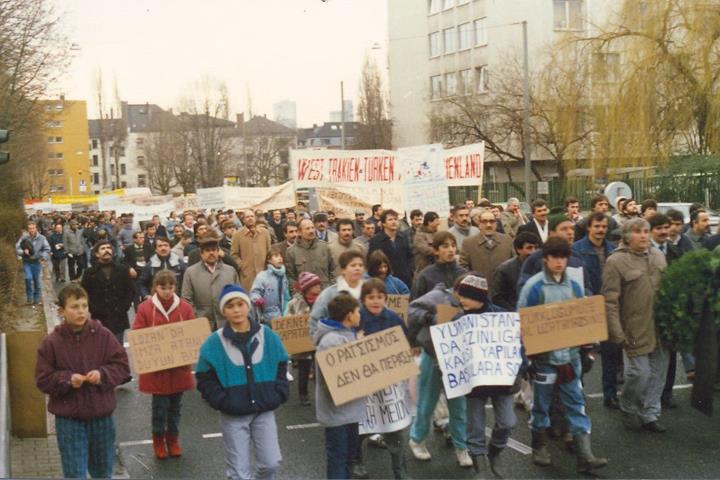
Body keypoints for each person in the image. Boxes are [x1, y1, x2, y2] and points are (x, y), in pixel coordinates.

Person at [518, 237, 607, 473]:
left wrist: (587, 350)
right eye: (554, 257)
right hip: (544, 361)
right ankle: (539, 447)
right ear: (545, 259)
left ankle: (585, 455)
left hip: (570, 358)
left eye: (563, 257)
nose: (559, 262)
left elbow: (582, 320)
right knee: (541, 405)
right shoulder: (534, 287)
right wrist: (526, 358)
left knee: (577, 403)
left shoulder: (574, 286)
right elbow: (524, 324)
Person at [35, 283, 131, 479]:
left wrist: (102, 374)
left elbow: (122, 368)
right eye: (74, 307)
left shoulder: (103, 335)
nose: (81, 311)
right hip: (69, 420)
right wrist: (66, 379)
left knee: (103, 472)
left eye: (84, 306)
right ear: (62, 311)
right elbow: (43, 380)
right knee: (74, 473)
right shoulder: (51, 342)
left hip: (101, 417)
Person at [196, 284, 289, 480]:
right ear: (224, 311)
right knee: (239, 471)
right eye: (230, 306)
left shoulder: (267, 335)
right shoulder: (214, 342)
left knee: (271, 463)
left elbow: (282, 362)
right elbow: (204, 377)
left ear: (248, 306)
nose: (237, 310)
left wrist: (279, 392)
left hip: (264, 409)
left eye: (240, 304)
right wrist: (221, 400)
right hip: (233, 414)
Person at [602, 218, 669, 433]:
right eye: (638, 232)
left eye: (646, 231)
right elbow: (610, 301)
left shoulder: (658, 256)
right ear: (627, 236)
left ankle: (650, 413)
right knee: (639, 374)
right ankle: (629, 407)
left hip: (659, 326)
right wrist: (617, 332)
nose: (643, 235)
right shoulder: (616, 261)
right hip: (633, 328)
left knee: (658, 372)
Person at [406, 252, 470, 468]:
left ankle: (461, 446)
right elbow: (412, 309)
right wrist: (431, 318)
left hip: (457, 361)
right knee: (427, 403)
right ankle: (417, 440)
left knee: (459, 407)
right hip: (433, 357)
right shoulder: (438, 296)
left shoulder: (473, 304)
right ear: (458, 291)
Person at [453, 274, 519, 477]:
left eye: (466, 296)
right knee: (476, 427)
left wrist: (520, 369)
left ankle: (495, 452)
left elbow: (518, 346)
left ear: (479, 297)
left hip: (502, 382)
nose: (461, 300)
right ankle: (480, 466)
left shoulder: (502, 318)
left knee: (507, 422)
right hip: (474, 385)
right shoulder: (458, 320)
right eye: (460, 296)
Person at [132, 270, 195, 459]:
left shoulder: (184, 307)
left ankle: (173, 440)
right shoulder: (145, 308)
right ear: (155, 288)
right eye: (162, 287)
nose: (167, 291)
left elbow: (192, 333)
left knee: (175, 408)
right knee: (159, 409)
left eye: (170, 287)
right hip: (157, 369)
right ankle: (158, 441)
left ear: (175, 287)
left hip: (178, 369)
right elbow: (138, 334)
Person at [355, 279, 411, 479]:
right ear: (363, 299)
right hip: (365, 383)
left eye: (379, 297)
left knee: (394, 426)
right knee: (362, 425)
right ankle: (357, 462)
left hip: (389, 383)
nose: (375, 301)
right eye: (371, 297)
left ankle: (400, 469)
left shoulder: (394, 319)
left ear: (385, 298)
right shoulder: (357, 319)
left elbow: (406, 345)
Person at [313, 293, 366, 479]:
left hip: (349, 411)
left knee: (348, 457)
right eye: (358, 312)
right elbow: (335, 380)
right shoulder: (331, 341)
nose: (360, 315)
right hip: (337, 413)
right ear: (349, 315)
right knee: (339, 458)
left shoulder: (346, 336)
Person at [572, 212, 618, 408]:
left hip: (608, 306)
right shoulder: (576, 249)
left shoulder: (613, 249)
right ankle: (578, 392)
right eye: (597, 226)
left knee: (611, 353)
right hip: (587, 306)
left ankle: (610, 394)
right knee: (582, 354)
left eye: (604, 227)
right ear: (589, 227)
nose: (600, 230)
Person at [81, 240, 135, 345]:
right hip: (100, 317)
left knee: (118, 348)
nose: (107, 250)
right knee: (101, 348)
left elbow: (131, 290)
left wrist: (125, 306)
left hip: (119, 316)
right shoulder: (89, 273)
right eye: (103, 248)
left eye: (109, 248)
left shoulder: (122, 269)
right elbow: (84, 294)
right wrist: (93, 308)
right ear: (96, 254)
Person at [182, 235, 240, 331]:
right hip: (202, 324)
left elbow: (237, 296)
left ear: (218, 252)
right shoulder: (190, 272)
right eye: (207, 250)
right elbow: (186, 299)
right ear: (201, 254)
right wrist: (197, 319)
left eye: (214, 250)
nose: (211, 253)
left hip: (228, 323)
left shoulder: (230, 271)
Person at [286, 272, 322, 406]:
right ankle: (303, 395)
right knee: (304, 369)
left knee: (320, 369)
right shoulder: (295, 303)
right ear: (307, 288)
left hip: (317, 340)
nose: (318, 288)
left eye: (319, 285)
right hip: (302, 344)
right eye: (315, 285)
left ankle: (321, 395)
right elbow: (288, 321)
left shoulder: (322, 300)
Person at [309, 250, 366, 335]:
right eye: (353, 265)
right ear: (343, 270)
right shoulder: (329, 294)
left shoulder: (370, 290)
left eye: (360, 265)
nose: (357, 268)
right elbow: (315, 321)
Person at [459, 209, 513, 288]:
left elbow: (514, 265)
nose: (488, 225)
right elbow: (463, 269)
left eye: (491, 221)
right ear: (479, 224)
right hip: (479, 292)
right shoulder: (468, 243)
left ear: (496, 224)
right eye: (484, 222)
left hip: (504, 291)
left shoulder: (507, 241)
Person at [490, 231, 540, 310]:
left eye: (536, 248)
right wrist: (515, 311)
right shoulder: (504, 269)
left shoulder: (542, 267)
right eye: (529, 248)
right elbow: (497, 297)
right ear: (518, 249)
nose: (533, 252)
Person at [412, 231, 466, 300]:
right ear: (436, 251)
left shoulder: (463, 274)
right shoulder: (425, 276)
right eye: (445, 246)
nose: (451, 250)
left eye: (453, 246)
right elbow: (415, 304)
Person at [369, 209, 415, 288]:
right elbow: (372, 261)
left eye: (395, 219)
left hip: (404, 279)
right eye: (390, 219)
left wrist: (409, 271)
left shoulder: (403, 237)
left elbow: (410, 256)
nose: (394, 222)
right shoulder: (376, 240)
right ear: (383, 223)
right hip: (385, 280)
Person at [286, 218, 336, 289]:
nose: (311, 231)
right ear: (299, 232)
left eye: (312, 228)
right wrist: (296, 293)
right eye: (307, 228)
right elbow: (291, 277)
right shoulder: (291, 251)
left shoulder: (324, 247)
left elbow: (333, 270)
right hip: (304, 295)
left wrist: (331, 288)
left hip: (324, 292)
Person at [231, 209, 273, 291]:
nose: (250, 218)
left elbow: (269, 251)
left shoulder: (265, 232)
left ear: (255, 218)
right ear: (243, 220)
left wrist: (268, 266)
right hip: (247, 275)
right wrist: (242, 266)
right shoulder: (237, 235)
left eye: (252, 216)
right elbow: (234, 254)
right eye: (247, 217)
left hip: (263, 272)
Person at [250, 249, 291, 325]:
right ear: (269, 260)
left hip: (283, 314)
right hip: (267, 316)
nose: (280, 258)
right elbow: (254, 293)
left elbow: (286, 295)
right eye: (276, 256)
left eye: (280, 256)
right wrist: (258, 299)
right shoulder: (262, 276)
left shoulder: (283, 276)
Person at [16, 221, 51, 304]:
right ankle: (29, 298)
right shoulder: (24, 238)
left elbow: (47, 249)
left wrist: (42, 256)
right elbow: (17, 249)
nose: (31, 230)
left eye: (33, 228)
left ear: (36, 228)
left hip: (36, 262)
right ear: (27, 229)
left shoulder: (42, 238)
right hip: (27, 262)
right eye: (30, 229)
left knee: (36, 280)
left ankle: (36, 299)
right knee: (28, 278)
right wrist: (23, 251)